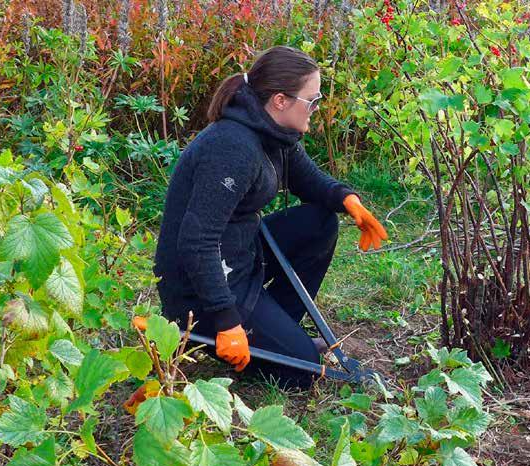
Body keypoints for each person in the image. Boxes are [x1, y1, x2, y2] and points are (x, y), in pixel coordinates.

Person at [152, 45, 388, 387]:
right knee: (301, 374)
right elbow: (196, 240)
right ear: (280, 100)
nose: (317, 109)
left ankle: (275, 329)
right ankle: (236, 336)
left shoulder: (273, 132)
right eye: (312, 100)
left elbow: (308, 179)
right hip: (199, 286)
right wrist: (225, 319)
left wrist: (347, 199)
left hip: (240, 254)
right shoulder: (232, 148)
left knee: (320, 223)